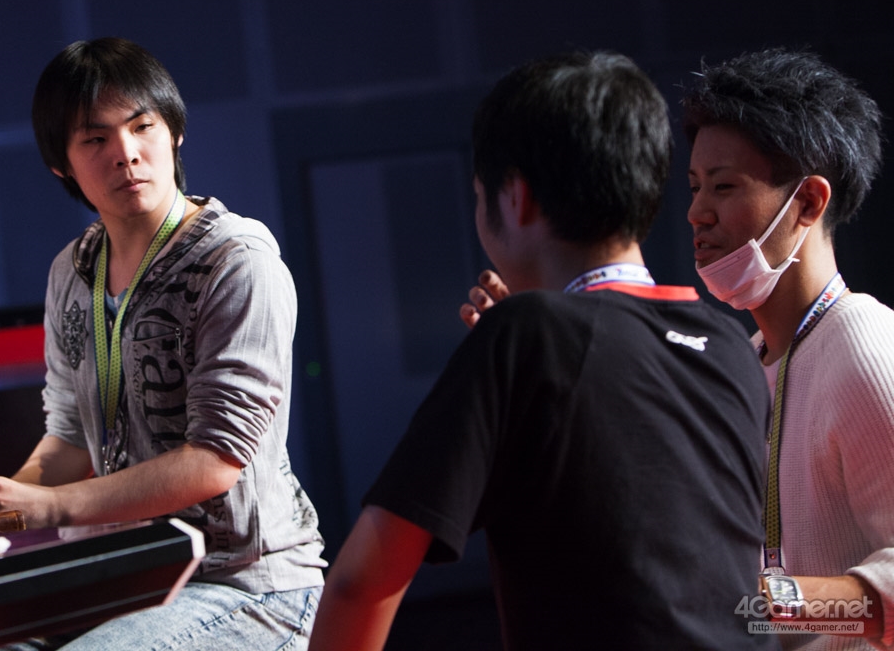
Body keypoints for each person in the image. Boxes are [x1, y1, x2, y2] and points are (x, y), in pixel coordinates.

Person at [308, 51, 778, 651]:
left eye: (480, 194)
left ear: (515, 197)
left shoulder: (523, 334)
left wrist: (516, 342)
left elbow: (360, 583)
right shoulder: (731, 346)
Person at [0, 37, 326, 649]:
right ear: (62, 165)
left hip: (245, 583)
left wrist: (48, 507)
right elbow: (70, 437)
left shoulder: (236, 260)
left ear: (174, 132)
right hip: (125, 581)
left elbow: (214, 461)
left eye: (142, 126)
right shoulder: (72, 270)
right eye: (95, 139)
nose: (126, 153)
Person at [684, 48, 894, 649]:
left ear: (807, 203)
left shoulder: (864, 344)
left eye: (724, 186)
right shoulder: (750, 361)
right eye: (694, 187)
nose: (697, 213)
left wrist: (758, 604)